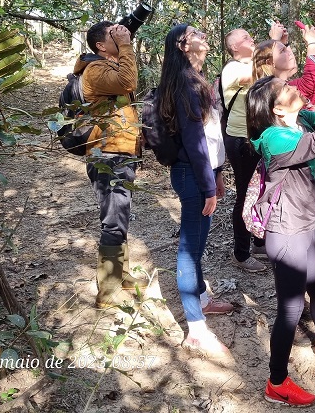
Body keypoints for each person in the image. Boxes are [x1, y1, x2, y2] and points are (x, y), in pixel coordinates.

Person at [246, 68, 315, 407]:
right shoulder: (274, 137)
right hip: (286, 231)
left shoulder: (300, 120)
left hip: (308, 223)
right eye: (287, 89)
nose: (295, 88)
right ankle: (276, 382)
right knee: (291, 308)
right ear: (277, 109)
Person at [156, 23, 232, 357]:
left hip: (201, 173)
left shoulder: (196, 80)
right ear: (182, 46)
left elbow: (211, 137)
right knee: (189, 247)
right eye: (196, 34)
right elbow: (194, 141)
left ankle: (201, 296)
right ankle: (196, 329)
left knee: (198, 243)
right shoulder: (186, 85)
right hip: (191, 175)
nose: (203, 36)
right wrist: (207, 185)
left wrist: (217, 173)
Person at [251, 24, 315, 243]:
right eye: (284, 50)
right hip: (291, 207)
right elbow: (311, 85)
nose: (291, 51)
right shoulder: (273, 118)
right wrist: (313, 45)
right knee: (302, 245)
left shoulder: (296, 103)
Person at [76, 20, 147, 309]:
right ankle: (107, 291)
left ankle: (120, 273)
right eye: (112, 35)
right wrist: (127, 45)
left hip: (118, 151)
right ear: (100, 46)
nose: (119, 36)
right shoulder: (95, 70)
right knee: (113, 219)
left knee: (120, 215)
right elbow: (128, 82)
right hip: (108, 154)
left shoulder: (108, 66)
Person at [221, 28, 267, 272]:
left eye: (252, 35)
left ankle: (260, 241)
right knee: (245, 194)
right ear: (235, 47)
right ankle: (241, 253)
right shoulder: (234, 68)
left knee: (261, 190)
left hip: (259, 137)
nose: (252, 39)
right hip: (240, 139)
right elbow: (260, 76)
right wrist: (274, 44)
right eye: (246, 38)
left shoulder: (255, 63)